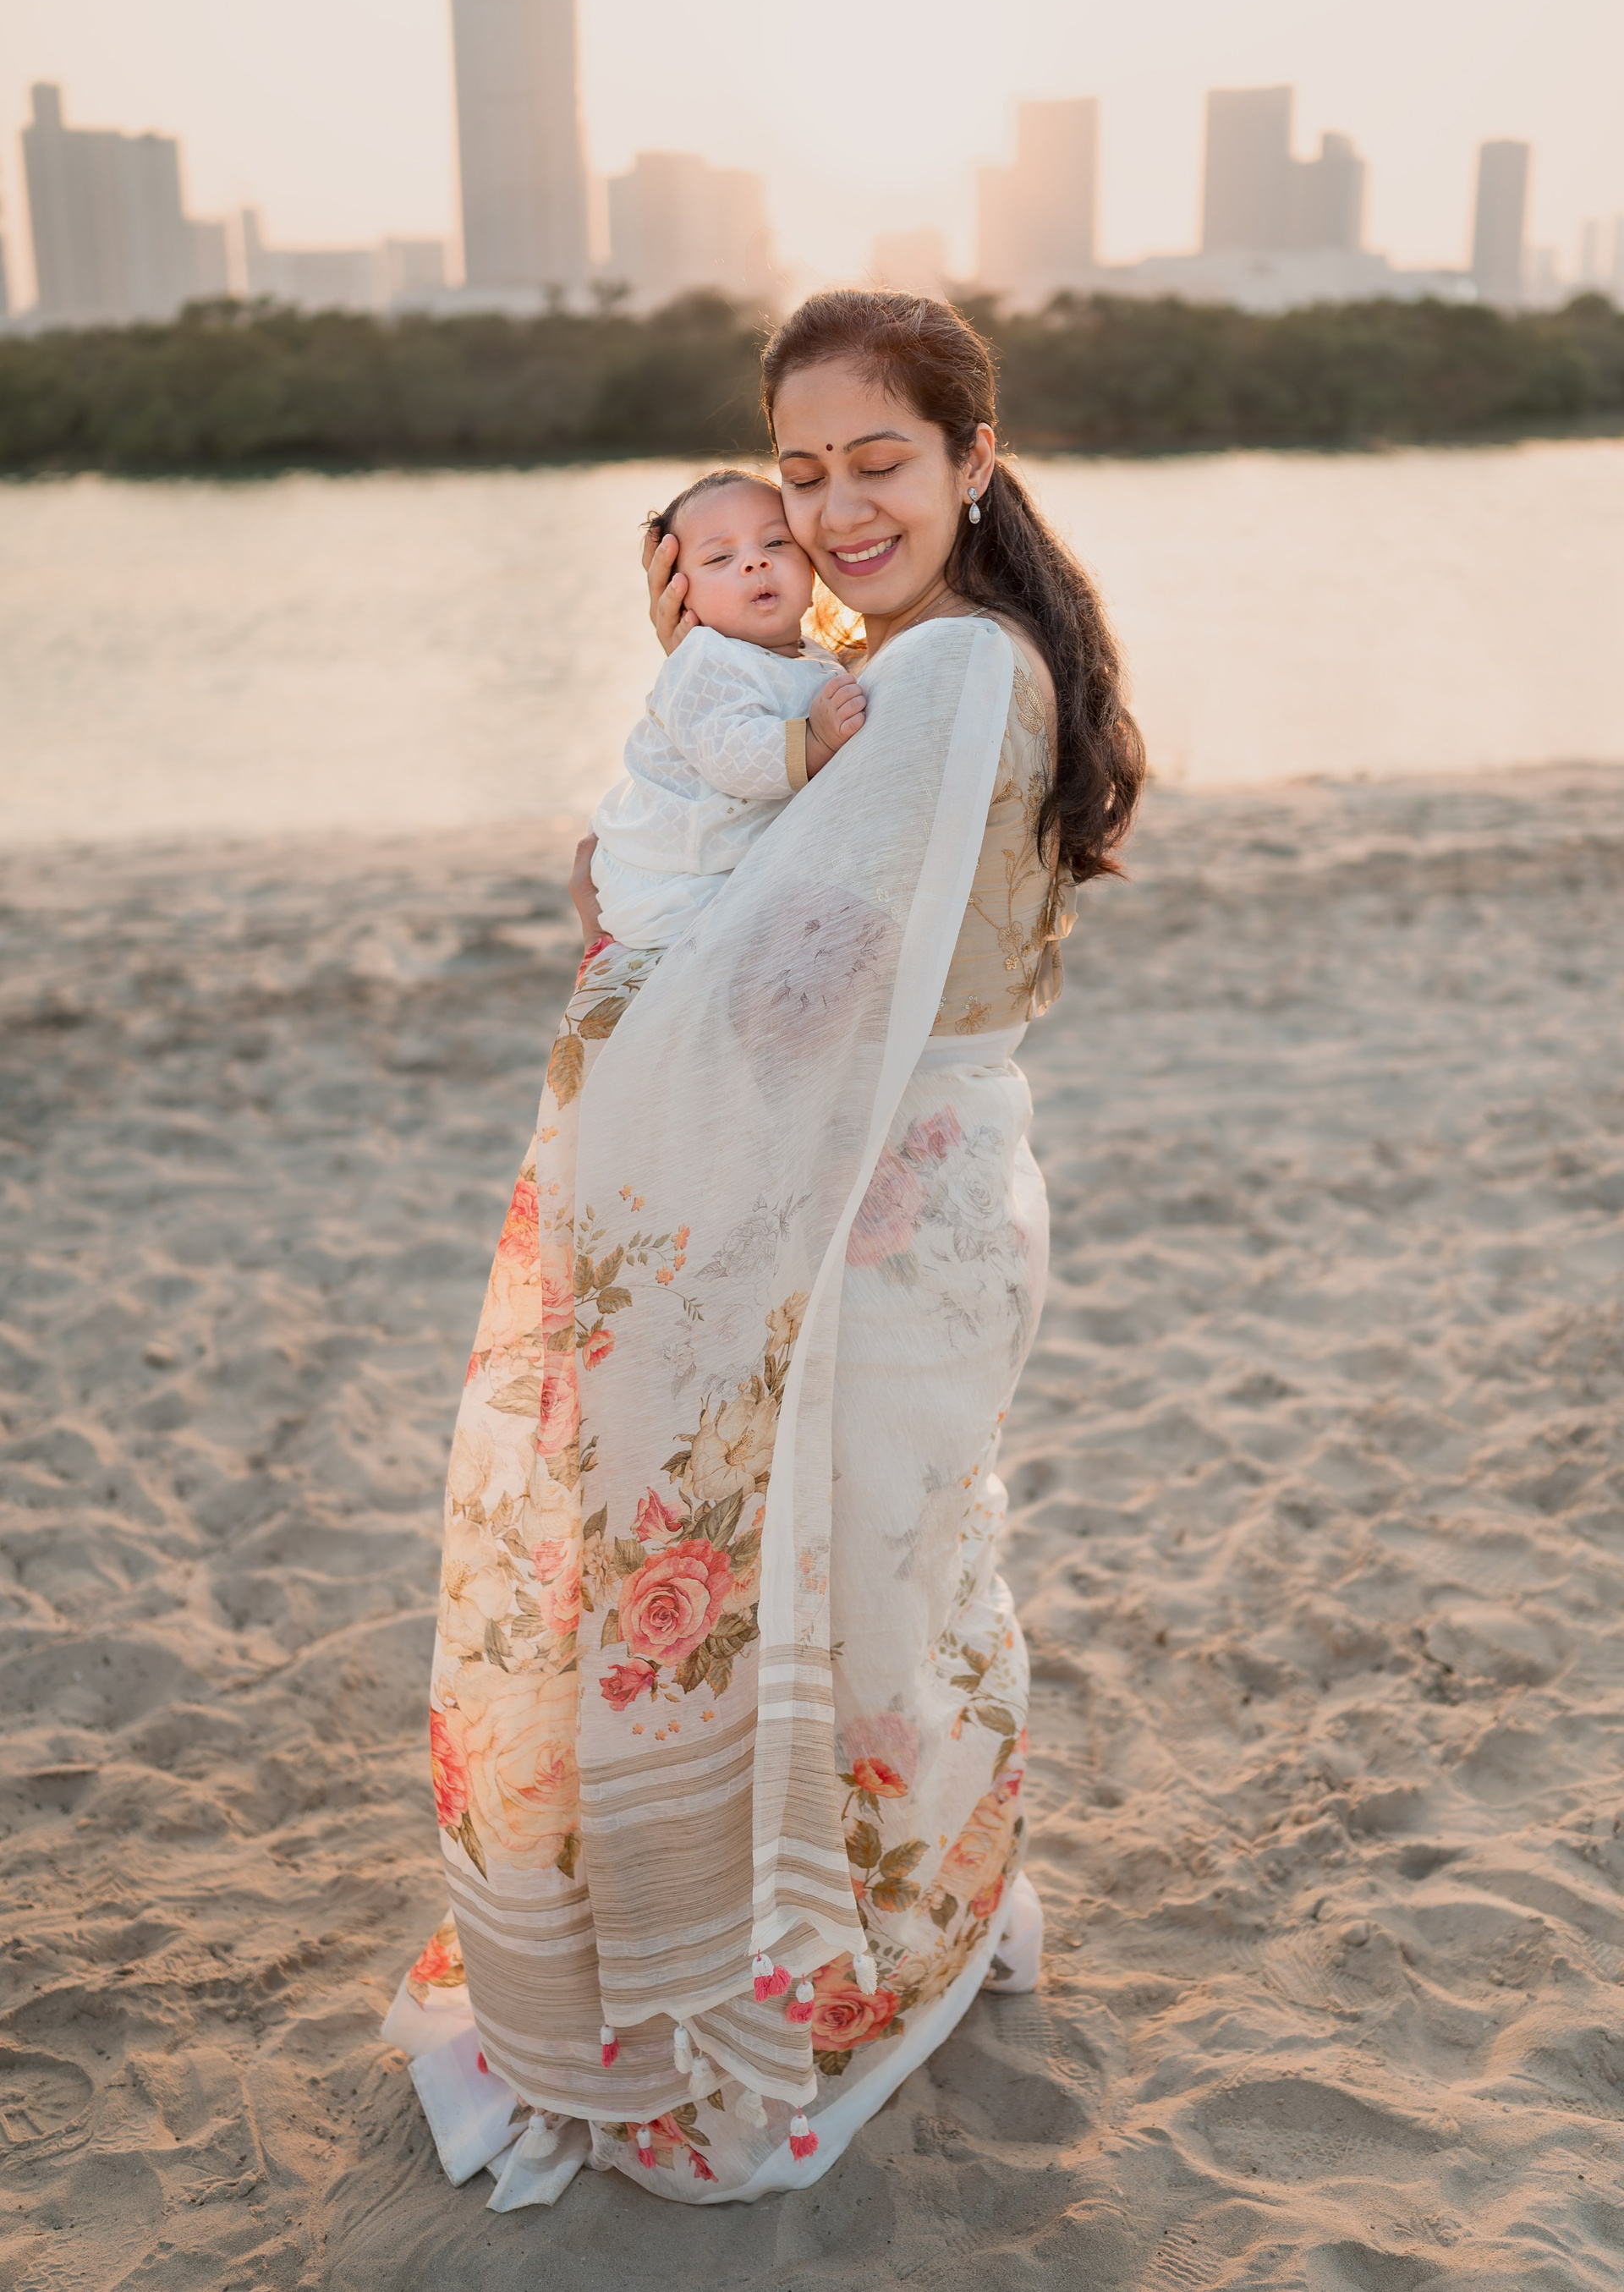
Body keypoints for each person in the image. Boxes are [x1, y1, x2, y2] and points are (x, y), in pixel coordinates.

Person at [384, 290, 1144, 2210]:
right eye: (799, 474)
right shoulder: (930, 656)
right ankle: (914, 1922)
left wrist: (623, 901)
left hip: (889, 1201)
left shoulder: (941, 670)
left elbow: (793, 984)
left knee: (868, 1599)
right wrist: (710, 731)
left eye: (880, 461)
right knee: (909, 1582)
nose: (834, 509)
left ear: (976, 458)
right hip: (940, 1178)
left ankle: (850, 1969)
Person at [588, 468, 867, 951]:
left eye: (776, 543)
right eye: (720, 557)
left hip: (728, 866)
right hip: (674, 880)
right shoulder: (703, 660)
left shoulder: (813, 656)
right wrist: (816, 739)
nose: (756, 562)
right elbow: (732, 755)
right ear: (679, 595)